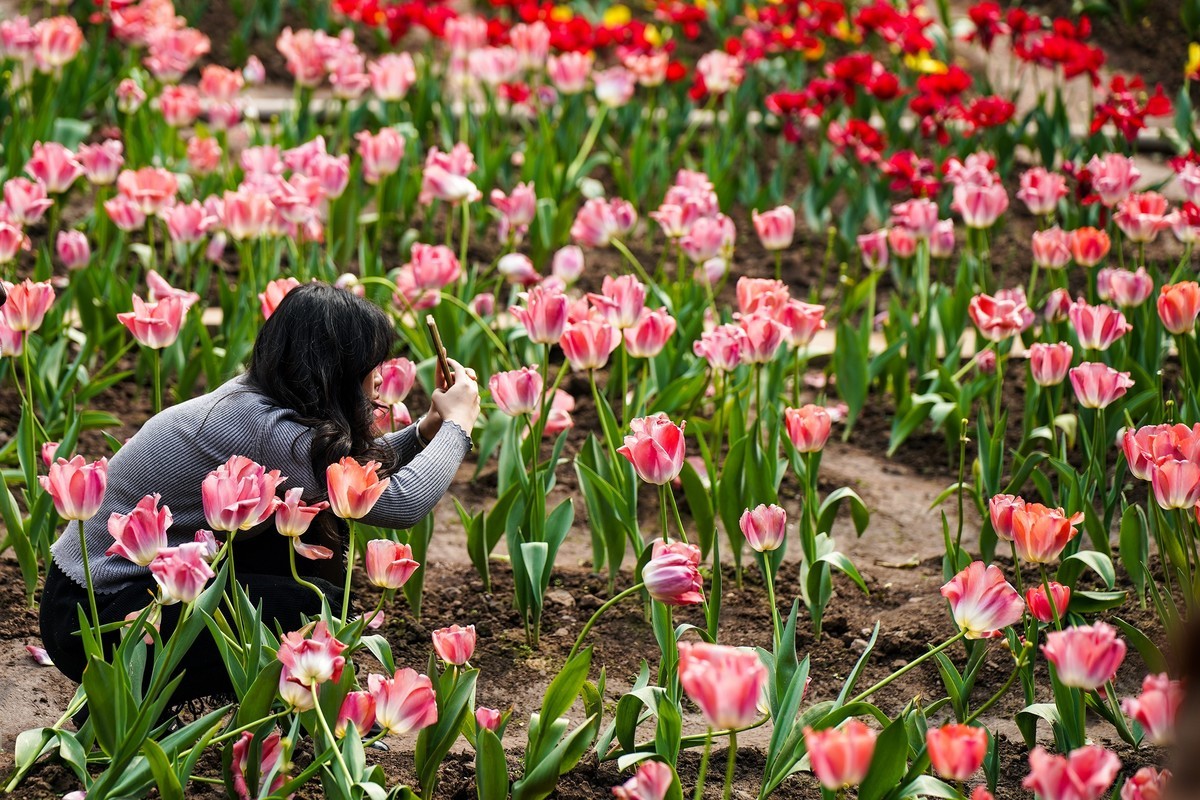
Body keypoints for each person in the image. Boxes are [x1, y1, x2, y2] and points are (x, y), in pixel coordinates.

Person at [40, 282, 481, 706]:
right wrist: (459, 425)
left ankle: (210, 699)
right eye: (371, 367)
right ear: (335, 371)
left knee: (303, 548)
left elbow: (355, 477)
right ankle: (145, 703)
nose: (379, 381)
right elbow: (401, 502)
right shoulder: (263, 428)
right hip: (99, 618)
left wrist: (426, 431)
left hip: (107, 597)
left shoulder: (257, 404)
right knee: (309, 605)